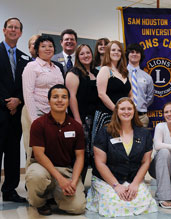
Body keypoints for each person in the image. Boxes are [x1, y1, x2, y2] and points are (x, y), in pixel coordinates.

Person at [86, 97, 157, 217]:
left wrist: (135, 184)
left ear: (134, 111)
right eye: (122, 109)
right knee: (115, 204)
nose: (126, 112)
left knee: (144, 203)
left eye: (129, 109)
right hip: (108, 180)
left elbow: (145, 162)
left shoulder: (144, 134)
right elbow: (100, 163)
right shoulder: (105, 132)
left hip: (132, 179)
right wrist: (116, 186)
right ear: (116, 111)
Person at [25, 84, 86, 215]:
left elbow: (80, 157)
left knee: (78, 208)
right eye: (55, 97)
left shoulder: (76, 126)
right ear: (49, 101)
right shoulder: (38, 124)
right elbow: (39, 154)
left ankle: (54, 196)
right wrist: (60, 180)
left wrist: (73, 182)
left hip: (66, 170)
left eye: (64, 97)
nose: (59, 100)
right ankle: (40, 202)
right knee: (36, 176)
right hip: (42, 168)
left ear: (68, 101)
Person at [22, 35, 64, 168]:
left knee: (53, 149)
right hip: (36, 111)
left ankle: (51, 183)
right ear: (37, 49)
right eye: (43, 46)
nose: (47, 49)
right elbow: (28, 93)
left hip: (54, 113)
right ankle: (33, 183)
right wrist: (34, 120)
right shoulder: (32, 66)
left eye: (50, 46)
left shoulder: (57, 68)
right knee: (34, 150)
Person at [0, 17, 30, 203]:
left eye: (16, 28)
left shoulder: (23, 57)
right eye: (10, 27)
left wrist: (18, 100)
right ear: (4, 30)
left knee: (12, 153)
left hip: (15, 114)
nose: (13, 30)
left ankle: (10, 190)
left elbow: (25, 85)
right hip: (0, 110)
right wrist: (5, 103)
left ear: (20, 33)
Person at [65, 44, 99, 181]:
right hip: (81, 119)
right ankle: (77, 184)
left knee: (95, 153)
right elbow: (71, 97)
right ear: (78, 57)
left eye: (88, 53)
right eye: (82, 54)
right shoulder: (73, 73)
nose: (86, 56)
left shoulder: (96, 73)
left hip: (96, 119)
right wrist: (78, 120)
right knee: (82, 153)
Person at [92, 40, 131, 142]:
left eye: (119, 50)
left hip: (124, 116)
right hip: (107, 115)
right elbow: (101, 94)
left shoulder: (125, 72)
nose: (116, 52)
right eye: (113, 50)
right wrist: (117, 110)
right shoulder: (105, 69)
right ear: (108, 52)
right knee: (107, 146)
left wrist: (128, 110)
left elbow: (131, 94)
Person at [126, 43, 154, 127]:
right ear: (127, 55)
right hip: (123, 116)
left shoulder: (147, 77)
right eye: (132, 52)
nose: (134, 54)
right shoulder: (120, 73)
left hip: (142, 117)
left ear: (141, 56)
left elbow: (150, 97)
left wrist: (140, 107)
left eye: (137, 52)